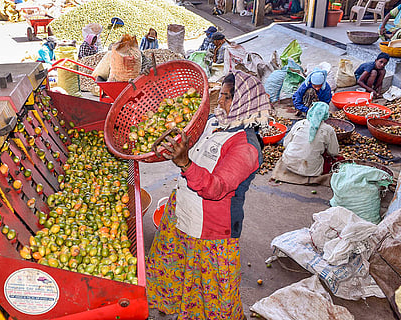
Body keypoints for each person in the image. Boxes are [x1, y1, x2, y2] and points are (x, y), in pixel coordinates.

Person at [146, 71, 271, 320]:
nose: (220, 103)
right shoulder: (216, 123)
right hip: (183, 209)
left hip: (212, 231)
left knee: (214, 292)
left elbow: (217, 188)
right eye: (221, 96)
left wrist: (185, 163)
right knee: (175, 269)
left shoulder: (245, 146)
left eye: (226, 98)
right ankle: (172, 304)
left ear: (245, 103)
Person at [282, 101, 340, 177]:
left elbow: (285, 143)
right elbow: (333, 152)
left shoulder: (299, 123)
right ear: (326, 115)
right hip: (310, 170)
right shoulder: (328, 130)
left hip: (288, 163)